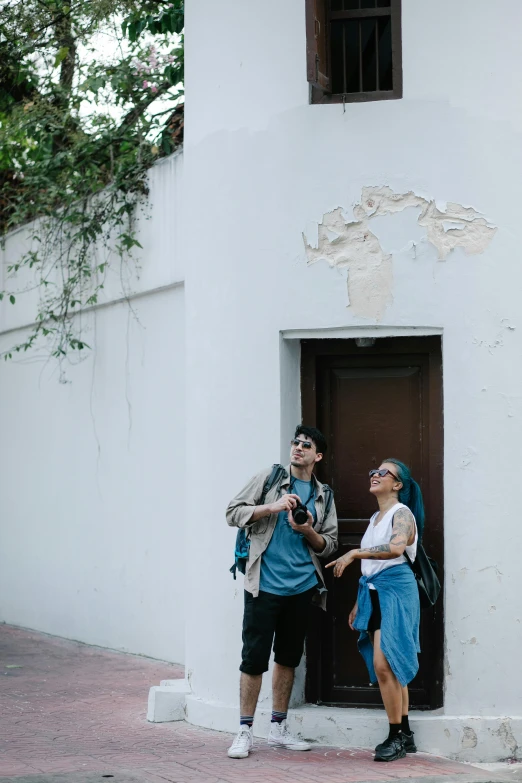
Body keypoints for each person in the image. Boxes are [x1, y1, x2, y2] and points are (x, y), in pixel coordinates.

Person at [226, 425, 338, 759]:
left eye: (306, 445)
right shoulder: (270, 478)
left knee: (288, 659)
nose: (298, 448)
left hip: (301, 588)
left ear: (317, 456)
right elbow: (233, 512)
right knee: (253, 659)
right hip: (264, 585)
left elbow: (328, 545)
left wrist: (306, 529)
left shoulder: (324, 495)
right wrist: (271, 508)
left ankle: (278, 727)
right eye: (295, 443)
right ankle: (244, 730)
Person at [326, 459, 423, 762]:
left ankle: (395, 736)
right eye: (373, 471)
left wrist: (354, 552)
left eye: (384, 472)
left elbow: (395, 550)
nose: (375, 475)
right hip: (375, 591)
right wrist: (359, 603)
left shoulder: (401, 513)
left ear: (398, 485)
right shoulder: (375, 518)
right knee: (389, 665)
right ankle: (405, 735)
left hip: (397, 591)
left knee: (385, 663)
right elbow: (373, 567)